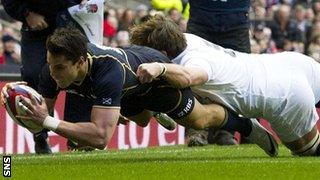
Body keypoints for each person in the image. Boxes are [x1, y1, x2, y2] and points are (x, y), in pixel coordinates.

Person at [0, 28, 278, 156]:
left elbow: (100, 137)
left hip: (150, 77)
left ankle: (245, 125)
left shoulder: (107, 71)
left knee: (198, 120)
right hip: (125, 89)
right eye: (51, 66)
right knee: (142, 120)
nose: (53, 73)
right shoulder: (53, 67)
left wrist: (46, 122)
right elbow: (41, 109)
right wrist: (19, 98)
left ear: (81, 61)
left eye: (60, 68)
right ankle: (143, 112)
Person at [130, 15, 320, 156]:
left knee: (311, 154)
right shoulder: (186, 39)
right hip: (290, 63)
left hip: (283, 96)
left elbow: (188, 77)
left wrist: (159, 67)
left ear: (163, 52)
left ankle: (246, 125)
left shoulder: (194, 61)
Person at [1, 0, 102, 154]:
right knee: (33, 74)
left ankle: (79, 139)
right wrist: (26, 13)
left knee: (79, 72)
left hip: (73, 20)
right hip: (38, 26)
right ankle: (39, 135)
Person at [185, 0, 251, 147]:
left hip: (235, 22)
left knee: (236, 78)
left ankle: (226, 131)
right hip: (202, 20)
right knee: (194, 73)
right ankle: (197, 129)